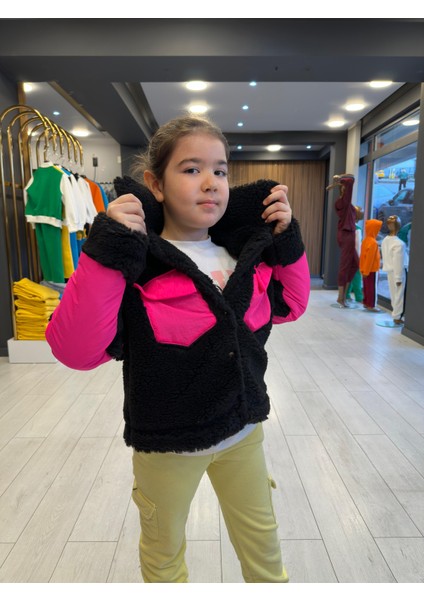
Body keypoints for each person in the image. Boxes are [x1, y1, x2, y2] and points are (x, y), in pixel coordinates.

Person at [45, 115, 310, 584]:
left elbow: (290, 305)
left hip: (242, 431)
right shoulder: (139, 264)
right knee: (164, 555)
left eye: (220, 170)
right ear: (156, 184)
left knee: (265, 552)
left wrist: (286, 240)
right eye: (191, 169)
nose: (211, 183)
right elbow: (77, 351)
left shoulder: (244, 257)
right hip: (167, 443)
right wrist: (107, 252)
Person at [326, 173, 358, 307]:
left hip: (348, 234)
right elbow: (350, 181)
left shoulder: (345, 203)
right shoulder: (343, 202)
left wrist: (340, 181)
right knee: (345, 265)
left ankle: (344, 294)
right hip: (346, 235)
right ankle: (341, 297)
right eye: (343, 186)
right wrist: (341, 179)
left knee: (355, 263)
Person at [381, 215, 408, 325]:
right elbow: (398, 262)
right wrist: (398, 277)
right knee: (399, 295)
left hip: (389, 270)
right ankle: (397, 316)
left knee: (394, 294)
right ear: (398, 226)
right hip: (398, 272)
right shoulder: (399, 244)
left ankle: (395, 315)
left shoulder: (385, 240)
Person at [359, 218, 383, 311]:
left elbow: (362, 257)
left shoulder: (365, 240)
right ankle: (371, 305)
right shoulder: (373, 243)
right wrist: (367, 271)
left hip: (365, 269)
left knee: (366, 287)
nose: (378, 231)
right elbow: (370, 259)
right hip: (372, 270)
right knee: (372, 288)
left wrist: (363, 269)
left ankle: (366, 302)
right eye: (377, 229)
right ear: (374, 229)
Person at [346, 205, 364, 303]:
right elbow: (357, 245)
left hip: (347, 255)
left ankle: (346, 294)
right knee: (357, 276)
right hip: (355, 256)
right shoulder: (357, 229)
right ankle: (359, 296)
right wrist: (359, 257)